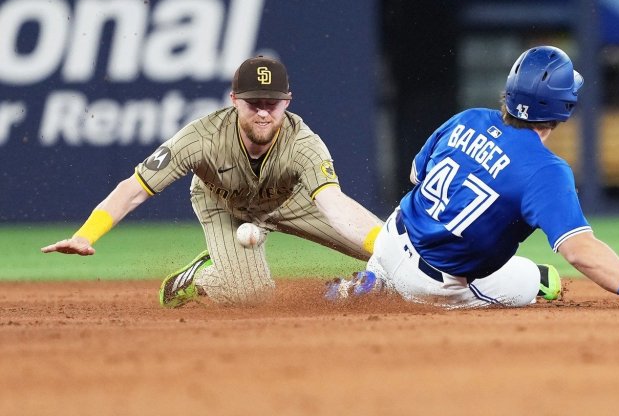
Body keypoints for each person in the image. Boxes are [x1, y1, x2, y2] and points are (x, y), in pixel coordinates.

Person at [327, 46, 619, 310]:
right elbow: (581, 251)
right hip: (435, 284)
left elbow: (416, 175)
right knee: (545, 280)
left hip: (390, 240)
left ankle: (372, 280)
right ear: (564, 109)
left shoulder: (467, 118)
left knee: (427, 233)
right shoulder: (546, 170)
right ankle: (396, 287)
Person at [42, 56, 383, 307]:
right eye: (253, 103)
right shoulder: (201, 138)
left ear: (287, 102)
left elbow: (335, 204)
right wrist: (85, 235)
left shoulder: (304, 144)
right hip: (222, 204)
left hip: (289, 200)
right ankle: (196, 279)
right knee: (252, 296)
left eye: (272, 103)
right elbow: (133, 189)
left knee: (387, 256)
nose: (263, 112)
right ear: (234, 100)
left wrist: (394, 248)